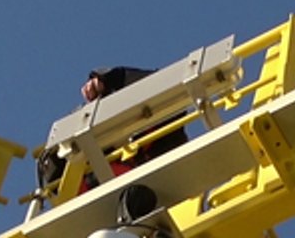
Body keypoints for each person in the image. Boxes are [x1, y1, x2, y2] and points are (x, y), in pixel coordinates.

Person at [35, 65, 189, 204]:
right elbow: (55, 175)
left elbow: (166, 85)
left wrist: (111, 79)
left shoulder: (163, 131)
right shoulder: (84, 167)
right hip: (114, 212)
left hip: (162, 192)